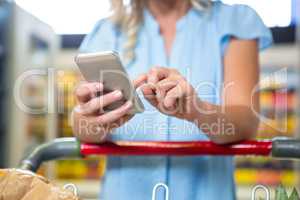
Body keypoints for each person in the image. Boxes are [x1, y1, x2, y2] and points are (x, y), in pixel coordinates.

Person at [72, 0, 272, 199]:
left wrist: (199, 111)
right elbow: (82, 125)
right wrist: (91, 120)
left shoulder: (235, 21)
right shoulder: (107, 30)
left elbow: (246, 122)